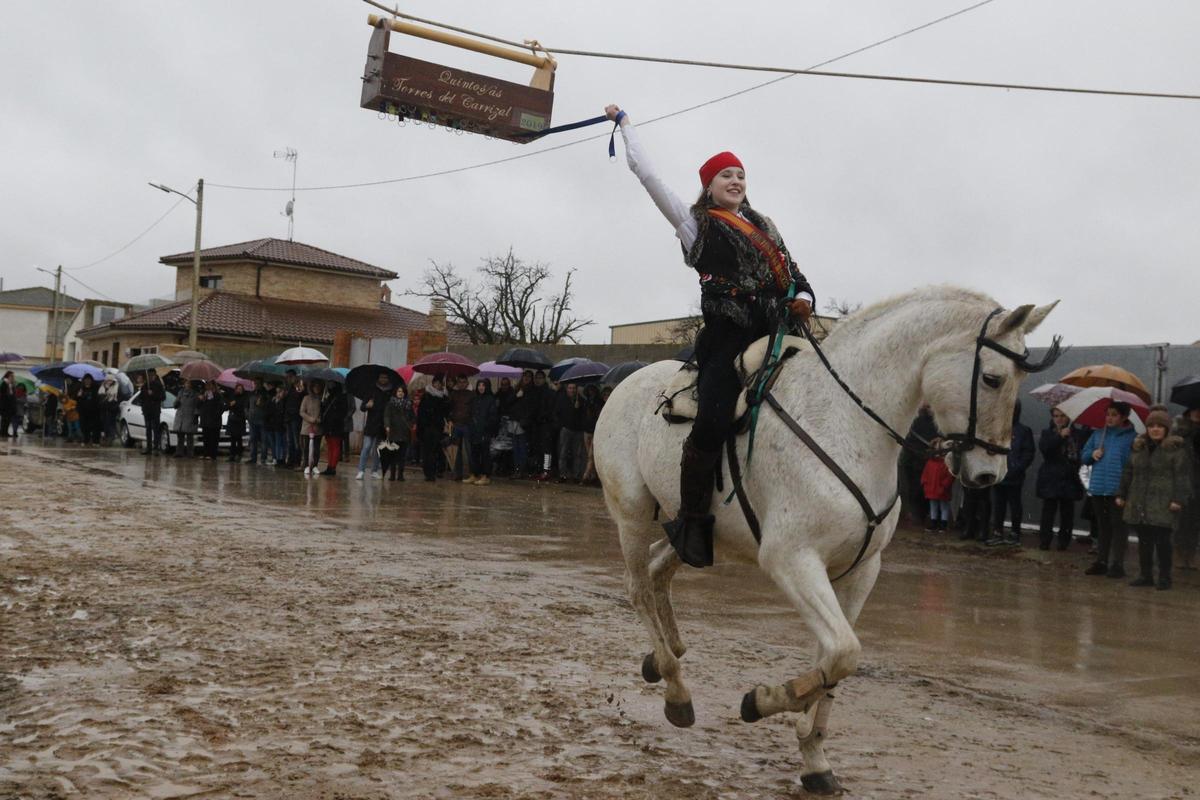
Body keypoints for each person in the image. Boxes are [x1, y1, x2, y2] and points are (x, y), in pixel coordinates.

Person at [607, 103, 815, 567]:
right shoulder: (694, 222)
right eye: (725, 176)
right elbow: (648, 176)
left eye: (740, 174)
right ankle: (693, 519)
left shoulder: (766, 225)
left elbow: (795, 273)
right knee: (713, 416)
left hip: (781, 332)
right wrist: (626, 126)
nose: (735, 181)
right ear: (709, 185)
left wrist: (804, 298)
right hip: (729, 339)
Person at [1117, 409, 1192, 590]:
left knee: (1163, 542)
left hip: (1163, 504)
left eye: (1159, 426)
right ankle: (1146, 575)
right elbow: (1128, 472)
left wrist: (1178, 499)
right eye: (1151, 426)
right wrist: (1121, 494)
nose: (1155, 429)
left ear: (1166, 429)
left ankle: (1165, 577)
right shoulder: (1139, 448)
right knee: (1144, 540)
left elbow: (1183, 478)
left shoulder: (1176, 451)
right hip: (1140, 502)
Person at [1082, 402, 1138, 578]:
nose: (1110, 418)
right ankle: (1102, 562)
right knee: (1103, 527)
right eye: (1108, 414)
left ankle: (1117, 564)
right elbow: (1083, 456)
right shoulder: (1098, 435)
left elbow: (1133, 465)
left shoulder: (1132, 438)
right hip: (1099, 488)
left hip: (1118, 490)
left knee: (1119, 528)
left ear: (1123, 417)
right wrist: (1093, 455)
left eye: (1114, 415)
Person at [1035, 407, 1087, 550]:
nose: (1059, 419)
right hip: (1051, 477)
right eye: (1056, 416)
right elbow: (1045, 449)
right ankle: (1045, 541)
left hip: (1069, 478)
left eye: (1063, 416)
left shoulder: (1077, 434)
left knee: (1067, 513)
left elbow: (1081, 452)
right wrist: (1059, 436)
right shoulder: (1048, 433)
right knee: (1048, 512)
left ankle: (1064, 541)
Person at [990, 400, 1035, 546]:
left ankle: (1015, 532)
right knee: (998, 504)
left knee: (1015, 504)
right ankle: (997, 531)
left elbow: (1028, 452)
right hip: (999, 474)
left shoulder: (1024, 431)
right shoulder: (997, 429)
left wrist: (1017, 467)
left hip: (1014, 476)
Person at [900, 404, 938, 526]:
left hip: (929, 461)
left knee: (923, 490)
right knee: (913, 488)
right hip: (913, 460)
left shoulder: (936, 422)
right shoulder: (914, 420)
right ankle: (913, 514)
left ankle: (922, 515)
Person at [1172, 404, 1200, 570]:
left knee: (1195, 521)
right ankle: (1179, 553)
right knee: (1180, 520)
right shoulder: (1179, 431)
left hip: (1198, 482)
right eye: (1195, 408)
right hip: (1182, 481)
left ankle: (1191, 554)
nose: (1198, 412)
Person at [357, 372, 392, 480]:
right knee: (367, 447)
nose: (383, 379)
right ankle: (361, 470)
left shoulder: (390, 392)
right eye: (381, 377)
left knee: (377, 449)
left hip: (382, 424)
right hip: (371, 423)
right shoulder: (371, 390)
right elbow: (362, 407)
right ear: (378, 378)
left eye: (385, 377)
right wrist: (367, 405)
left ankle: (374, 470)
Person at [554, 382, 588, 483]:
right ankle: (562, 474)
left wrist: (577, 408)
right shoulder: (562, 399)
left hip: (578, 430)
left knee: (577, 454)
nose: (572, 390)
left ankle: (576, 475)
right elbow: (557, 412)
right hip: (566, 429)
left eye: (574, 388)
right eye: (570, 388)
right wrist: (561, 424)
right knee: (563, 452)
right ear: (567, 389)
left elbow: (583, 416)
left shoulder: (581, 400)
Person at [467, 378, 498, 485]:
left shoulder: (490, 399)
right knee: (474, 453)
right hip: (474, 431)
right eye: (479, 385)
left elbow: (493, 416)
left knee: (485, 454)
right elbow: (471, 413)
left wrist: (486, 426)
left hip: (485, 431)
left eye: (483, 385)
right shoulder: (475, 399)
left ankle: (486, 475)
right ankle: (474, 474)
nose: (481, 387)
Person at [417, 377, 449, 482]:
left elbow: (446, 412)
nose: (437, 385)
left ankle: (436, 471)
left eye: (439, 383)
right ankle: (428, 473)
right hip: (427, 428)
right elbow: (421, 413)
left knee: (437, 451)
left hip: (438, 428)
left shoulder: (444, 397)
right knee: (428, 451)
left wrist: (445, 399)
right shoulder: (427, 396)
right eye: (436, 383)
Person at [921, 442, 955, 532]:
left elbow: (950, 476)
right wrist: (925, 485)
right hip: (931, 489)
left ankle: (943, 524)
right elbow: (925, 475)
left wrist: (944, 486)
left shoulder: (947, 462)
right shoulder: (930, 463)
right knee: (933, 506)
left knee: (944, 507)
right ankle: (933, 523)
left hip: (942, 490)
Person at [383, 384, 414, 481]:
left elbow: (413, 417)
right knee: (393, 454)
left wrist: (411, 424)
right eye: (398, 391)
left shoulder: (408, 404)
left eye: (402, 392)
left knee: (402, 455)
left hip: (404, 432)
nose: (400, 393)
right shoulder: (391, 403)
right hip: (394, 431)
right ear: (396, 393)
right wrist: (387, 425)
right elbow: (387, 415)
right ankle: (392, 475)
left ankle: (400, 474)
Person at [447, 376, 473, 481]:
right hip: (456, 424)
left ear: (467, 383)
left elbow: (474, 409)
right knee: (456, 451)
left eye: (464, 382)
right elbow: (449, 407)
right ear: (457, 383)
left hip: (467, 425)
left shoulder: (472, 394)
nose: (462, 384)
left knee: (469, 450)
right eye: (460, 382)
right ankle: (458, 473)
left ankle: (472, 473)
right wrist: (450, 419)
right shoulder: (453, 394)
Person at [319, 382, 348, 476]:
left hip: (336, 426)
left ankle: (332, 467)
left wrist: (334, 417)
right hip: (327, 425)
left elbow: (343, 412)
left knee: (335, 446)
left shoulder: (342, 397)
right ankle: (329, 466)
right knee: (330, 446)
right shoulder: (329, 396)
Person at [579, 383, 603, 486]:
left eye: (592, 390)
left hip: (594, 430)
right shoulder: (586, 401)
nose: (591, 392)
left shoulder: (599, 402)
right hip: (587, 430)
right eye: (589, 390)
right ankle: (593, 476)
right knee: (589, 454)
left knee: (590, 455)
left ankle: (585, 477)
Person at [300, 380, 324, 476]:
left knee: (316, 448)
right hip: (307, 427)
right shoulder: (306, 398)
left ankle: (315, 465)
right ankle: (306, 465)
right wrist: (310, 419)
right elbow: (302, 411)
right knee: (306, 448)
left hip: (317, 427)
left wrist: (319, 419)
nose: (317, 389)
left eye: (318, 387)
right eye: (315, 386)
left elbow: (324, 412)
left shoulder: (322, 399)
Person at [173, 380, 199, 457]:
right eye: (186, 383)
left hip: (189, 416)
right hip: (180, 416)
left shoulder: (195, 394)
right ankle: (179, 452)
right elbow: (175, 404)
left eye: (188, 383)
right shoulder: (181, 392)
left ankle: (190, 453)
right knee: (180, 436)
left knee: (189, 437)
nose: (187, 384)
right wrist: (176, 403)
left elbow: (197, 406)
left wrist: (196, 415)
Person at [141, 373, 165, 454]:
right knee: (148, 429)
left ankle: (156, 448)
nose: (150, 377)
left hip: (155, 411)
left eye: (152, 376)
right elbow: (141, 398)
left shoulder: (159, 385)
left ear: (155, 376)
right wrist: (143, 406)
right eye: (149, 376)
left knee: (156, 429)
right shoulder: (145, 386)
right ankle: (149, 448)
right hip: (147, 411)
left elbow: (163, 397)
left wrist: (153, 394)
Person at [284, 372, 305, 467]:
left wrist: (300, 389)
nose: (288, 379)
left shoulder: (300, 387)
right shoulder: (289, 388)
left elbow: (300, 398)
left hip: (296, 417)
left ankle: (297, 460)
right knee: (290, 441)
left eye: (290, 377)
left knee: (296, 441)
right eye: (287, 377)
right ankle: (290, 460)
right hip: (288, 417)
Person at [199, 380, 224, 459]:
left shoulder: (218, 395)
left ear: (213, 385)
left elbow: (221, 407)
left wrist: (215, 416)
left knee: (213, 439)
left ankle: (213, 455)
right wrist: (201, 400)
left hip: (214, 421)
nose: (208, 386)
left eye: (209, 384)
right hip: (205, 420)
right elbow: (199, 406)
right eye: (207, 385)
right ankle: (206, 454)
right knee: (206, 438)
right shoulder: (205, 394)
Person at [247, 380, 268, 465]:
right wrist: (248, 415)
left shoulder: (265, 394)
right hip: (252, 419)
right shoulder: (251, 394)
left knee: (264, 440)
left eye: (257, 383)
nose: (255, 385)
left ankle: (263, 458)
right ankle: (253, 458)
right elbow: (247, 405)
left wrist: (262, 403)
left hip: (262, 419)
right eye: (254, 383)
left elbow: (268, 406)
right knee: (253, 439)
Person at [76, 375, 101, 446]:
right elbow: (77, 400)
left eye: (89, 380)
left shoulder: (96, 388)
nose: (87, 382)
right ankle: (85, 440)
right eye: (86, 380)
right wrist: (79, 395)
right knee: (84, 426)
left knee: (95, 427)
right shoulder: (81, 388)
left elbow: (97, 399)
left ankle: (95, 441)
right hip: (83, 412)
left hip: (94, 411)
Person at [265, 385, 287, 466]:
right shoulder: (273, 402)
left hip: (283, 425)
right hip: (276, 425)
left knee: (283, 443)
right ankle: (278, 459)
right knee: (278, 443)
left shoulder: (284, 401)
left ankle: (282, 459)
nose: (279, 394)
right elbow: (270, 413)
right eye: (277, 392)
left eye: (280, 392)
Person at [226, 384, 248, 462]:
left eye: (240, 389)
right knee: (232, 438)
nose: (239, 390)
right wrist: (230, 404)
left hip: (239, 420)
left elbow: (243, 408)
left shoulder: (244, 398)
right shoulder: (232, 396)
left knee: (239, 438)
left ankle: (239, 455)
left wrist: (236, 404)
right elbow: (228, 406)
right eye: (238, 388)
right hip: (232, 419)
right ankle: (232, 455)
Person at [100, 375, 120, 444]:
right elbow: (100, 398)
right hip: (104, 409)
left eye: (111, 380)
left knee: (111, 424)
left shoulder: (116, 388)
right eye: (108, 380)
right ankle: (106, 437)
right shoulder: (102, 387)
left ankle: (111, 438)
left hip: (112, 409)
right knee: (104, 423)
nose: (109, 381)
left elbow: (118, 399)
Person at [0, 371, 14, 437]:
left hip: (9, 405)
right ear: (8, 376)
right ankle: (3, 432)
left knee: (8, 420)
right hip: (4, 405)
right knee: (4, 419)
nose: (13, 378)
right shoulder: (4, 383)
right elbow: (3, 395)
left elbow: (12, 395)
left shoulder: (10, 385)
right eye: (12, 376)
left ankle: (5, 432)